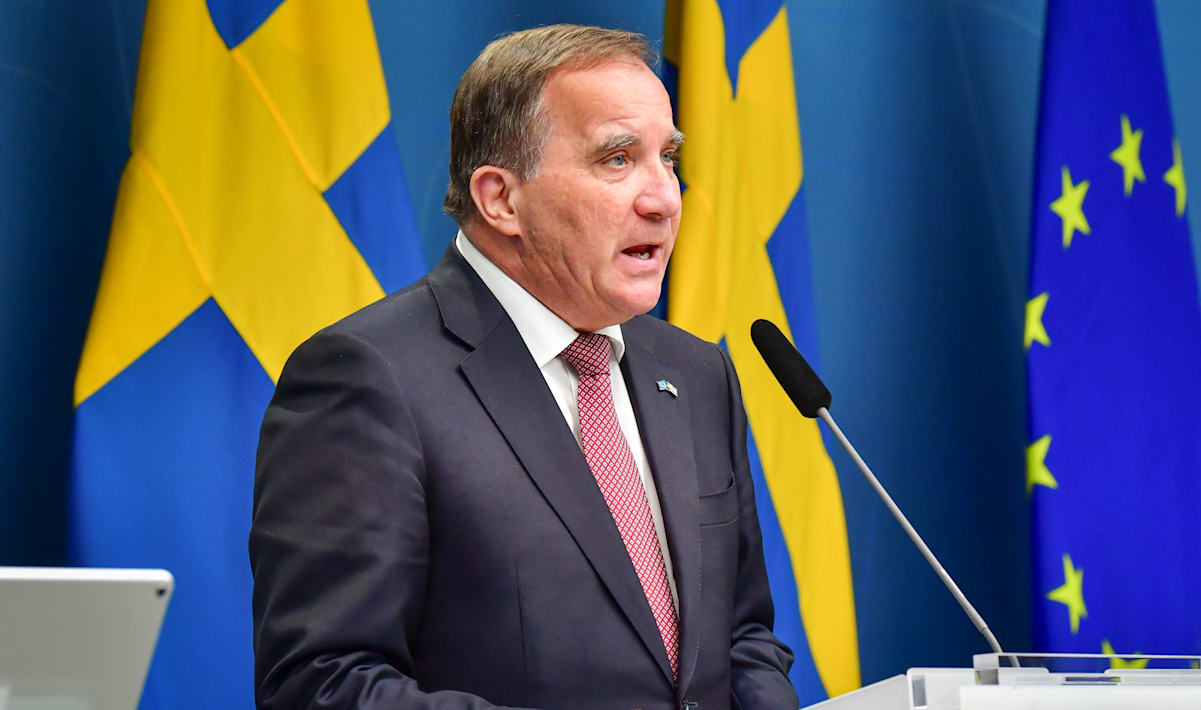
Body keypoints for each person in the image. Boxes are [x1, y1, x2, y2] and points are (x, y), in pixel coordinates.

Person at [249, 24, 797, 710]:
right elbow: (322, 682)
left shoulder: (695, 373)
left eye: (668, 157)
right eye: (618, 159)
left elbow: (741, 636)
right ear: (501, 198)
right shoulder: (369, 379)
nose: (664, 198)